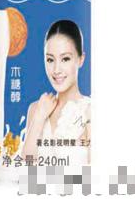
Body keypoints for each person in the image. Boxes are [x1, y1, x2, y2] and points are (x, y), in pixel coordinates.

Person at [21, 20, 91, 165]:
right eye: (50, 60)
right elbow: (26, 166)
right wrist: (39, 117)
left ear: (81, 59)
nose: (56, 69)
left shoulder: (90, 112)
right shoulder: (36, 109)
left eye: (65, 59)